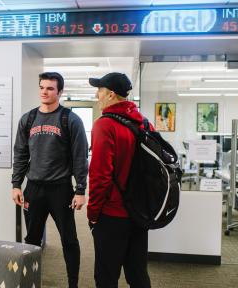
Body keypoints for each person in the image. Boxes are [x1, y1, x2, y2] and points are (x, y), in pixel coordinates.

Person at [11, 72, 89, 288]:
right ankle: (29, 281)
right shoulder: (28, 119)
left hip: (60, 190)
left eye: (50, 88)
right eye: (42, 87)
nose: (45, 92)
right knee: (32, 241)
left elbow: (80, 156)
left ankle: (72, 283)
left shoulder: (70, 119)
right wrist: (16, 184)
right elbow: (20, 154)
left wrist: (80, 189)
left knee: (69, 240)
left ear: (60, 92)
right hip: (34, 189)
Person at [87, 72, 151, 288]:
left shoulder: (104, 125)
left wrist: (93, 213)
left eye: (100, 91)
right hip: (139, 211)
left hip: (113, 213)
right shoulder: (144, 123)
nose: (98, 96)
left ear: (111, 94)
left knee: (106, 275)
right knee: (138, 273)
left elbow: (100, 176)